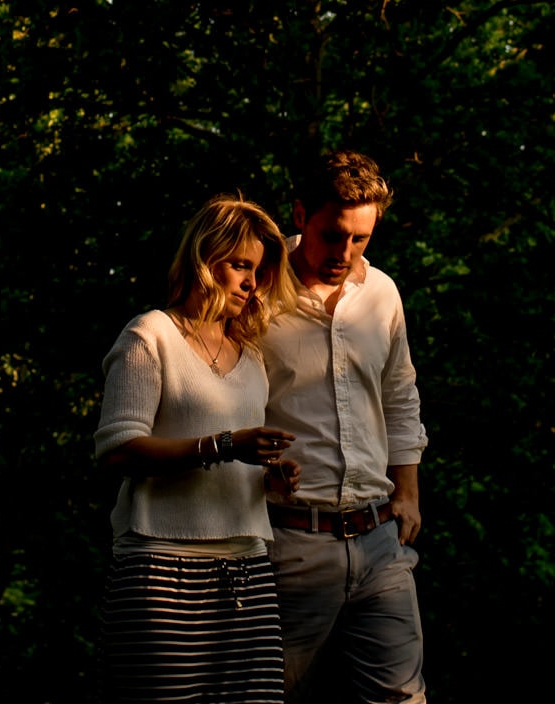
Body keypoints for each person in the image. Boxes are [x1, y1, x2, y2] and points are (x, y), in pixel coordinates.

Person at [95, 195, 308, 702]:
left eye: (257, 271)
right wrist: (225, 445)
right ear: (203, 257)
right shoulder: (150, 336)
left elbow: (232, 461)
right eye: (240, 265)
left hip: (248, 571)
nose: (251, 282)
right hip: (161, 572)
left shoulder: (252, 358)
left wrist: (272, 479)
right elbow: (118, 450)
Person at [262, 152, 428, 702]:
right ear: (301, 213)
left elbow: (399, 394)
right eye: (334, 235)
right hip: (289, 542)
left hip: (380, 539)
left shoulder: (382, 294)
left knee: (402, 698)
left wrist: (408, 491)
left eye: (361, 238)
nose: (346, 253)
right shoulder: (256, 290)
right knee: (270, 694)